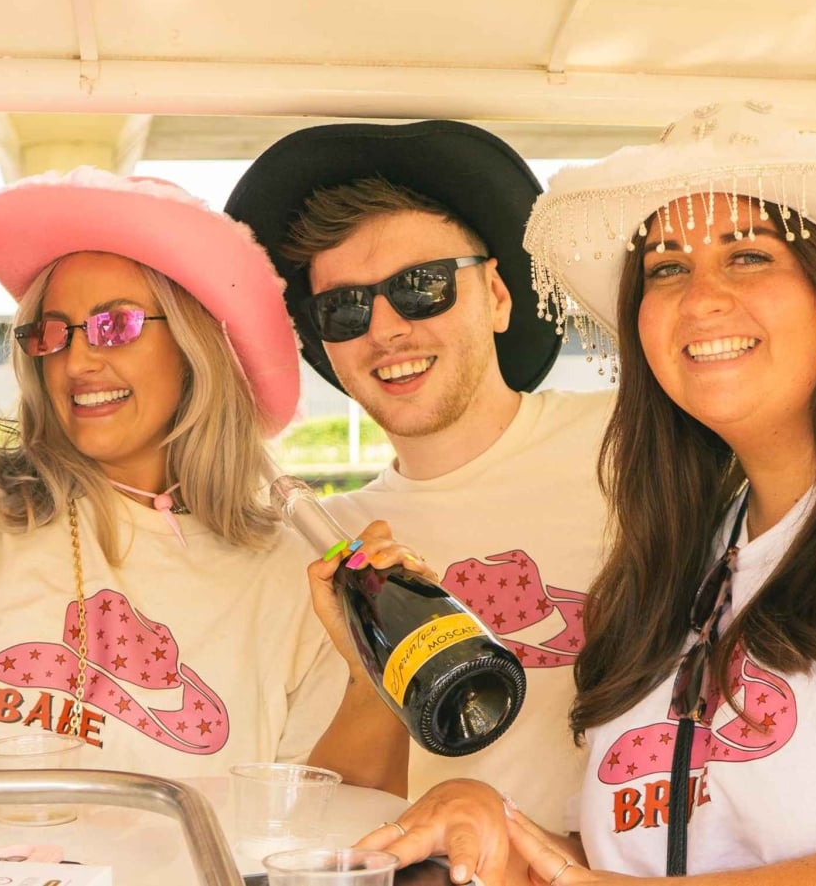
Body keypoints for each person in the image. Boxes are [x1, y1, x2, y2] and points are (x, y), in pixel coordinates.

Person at [365, 102, 816, 884]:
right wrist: (500, 829)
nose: (700, 299)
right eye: (665, 268)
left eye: (749, 256)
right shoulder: (685, 552)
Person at [0, 167, 349, 778]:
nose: (78, 360)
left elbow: (314, 825)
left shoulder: (292, 575)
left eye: (116, 325)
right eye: (52, 333)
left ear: (196, 344)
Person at [227, 121, 615, 830]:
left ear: (497, 295)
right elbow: (338, 819)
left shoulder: (632, 449)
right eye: (343, 309)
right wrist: (365, 673)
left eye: (421, 286)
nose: (385, 329)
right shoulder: (323, 546)